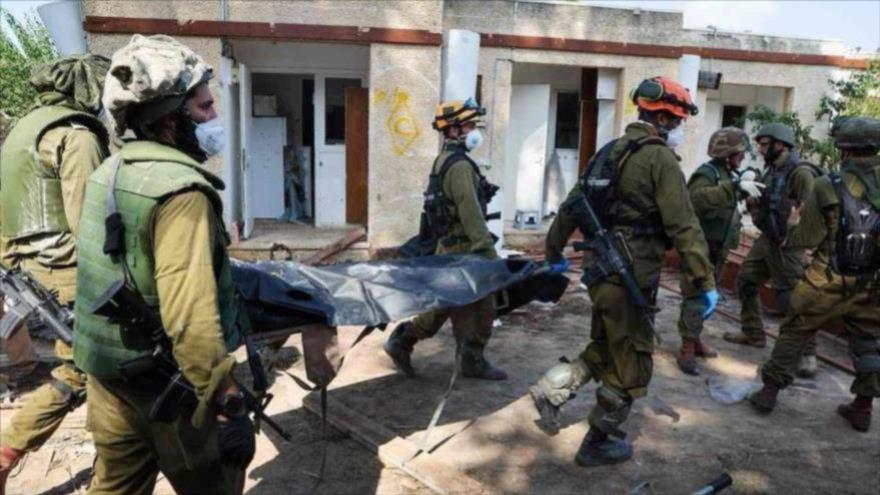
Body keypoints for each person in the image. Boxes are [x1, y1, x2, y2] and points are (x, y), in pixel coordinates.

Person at [72, 34, 254, 494]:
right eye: (205, 108)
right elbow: (189, 317)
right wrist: (225, 396)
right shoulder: (182, 192)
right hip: (168, 388)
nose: (214, 118)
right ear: (172, 119)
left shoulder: (109, 171)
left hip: (109, 376)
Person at [529, 77, 717, 466]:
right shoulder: (659, 159)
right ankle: (598, 440)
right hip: (630, 273)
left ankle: (550, 389)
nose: (678, 130)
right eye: (678, 122)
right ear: (665, 118)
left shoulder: (609, 151)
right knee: (634, 362)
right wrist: (704, 281)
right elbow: (684, 225)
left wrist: (553, 251)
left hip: (600, 271)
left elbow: (570, 207)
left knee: (606, 345)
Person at [0, 54, 111, 492]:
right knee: (85, 371)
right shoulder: (77, 136)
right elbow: (92, 227)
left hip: (31, 273)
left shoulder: (25, 130)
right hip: (70, 274)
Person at [749, 116, 880, 432]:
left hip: (826, 278)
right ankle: (862, 408)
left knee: (795, 330)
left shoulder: (827, 184)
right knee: (868, 342)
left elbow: (806, 239)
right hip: (872, 283)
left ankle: (769, 392)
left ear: (844, 150)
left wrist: (792, 229)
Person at [384, 98, 507, 380]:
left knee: (444, 307)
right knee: (483, 306)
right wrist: (490, 256)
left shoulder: (445, 160)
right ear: (452, 131)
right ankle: (470, 359)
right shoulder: (460, 166)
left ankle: (404, 339)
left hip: (449, 247)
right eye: (468, 125)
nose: (474, 130)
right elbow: (471, 213)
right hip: (465, 249)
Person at [723, 123, 821, 378]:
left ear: (781, 145)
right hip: (767, 238)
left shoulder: (800, 173)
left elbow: (810, 211)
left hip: (788, 246)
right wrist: (753, 200)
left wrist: (795, 236)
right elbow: (770, 200)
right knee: (745, 281)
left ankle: (808, 353)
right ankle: (753, 333)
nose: (760, 149)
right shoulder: (772, 170)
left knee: (791, 298)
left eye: (765, 144)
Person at [675, 127, 764, 375]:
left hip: (718, 248)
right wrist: (733, 187)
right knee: (695, 298)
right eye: (739, 153)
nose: (742, 158)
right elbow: (696, 199)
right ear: (727, 154)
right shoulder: (707, 174)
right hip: (699, 250)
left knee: (706, 301)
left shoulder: (728, 172)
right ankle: (687, 347)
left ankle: (696, 338)